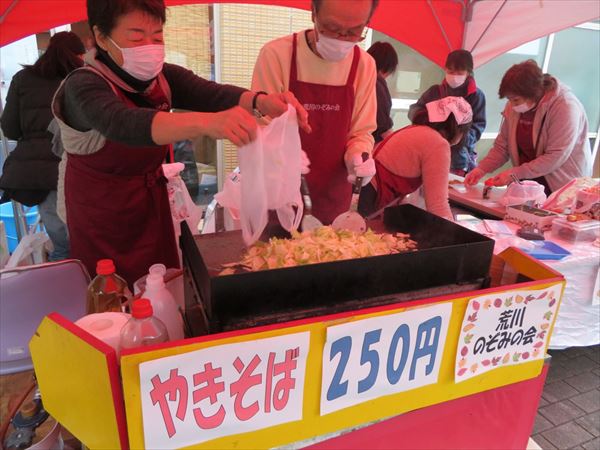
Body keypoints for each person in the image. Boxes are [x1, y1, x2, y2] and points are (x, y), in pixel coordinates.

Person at [52, 0, 309, 286]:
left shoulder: (162, 77)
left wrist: (262, 101)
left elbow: (211, 93)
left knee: (162, 284)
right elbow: (121, 123)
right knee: (112, 296)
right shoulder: (82, 85)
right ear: (101, 37)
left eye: (158, 36)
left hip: (151, 206)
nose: (150, 45)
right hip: (101, 214)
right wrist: (208, 123)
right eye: (137, 36)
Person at [252, 0, 379, 225]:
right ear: (313, 13)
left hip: (336, 201)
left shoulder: (364, 65)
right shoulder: (277, 55)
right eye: (331, 28)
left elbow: (362, 131)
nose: (341, 38)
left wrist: (358, 155)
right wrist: (281, 155)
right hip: (280, 198)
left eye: (353, 32)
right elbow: (260, 129)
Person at [0, 31, 85, 261]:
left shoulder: (22, 79)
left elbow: (10, 128)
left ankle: (65, 287)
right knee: (86, 234)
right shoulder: (82, 78)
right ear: (77, 55)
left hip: (39, 173)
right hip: (78, 165)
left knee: (61, 241)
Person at [464, 60, 592, 193]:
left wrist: (514, 174)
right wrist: (481, 169)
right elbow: (502, 147)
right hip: (528, 182)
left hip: (562, 187)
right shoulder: (514, 106)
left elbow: (556, 156)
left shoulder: (565, 106)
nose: (512, 106)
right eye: (509, 100)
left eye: (516, 100)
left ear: (534, 94)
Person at [359, 97, 473, 221]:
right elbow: (437, 205)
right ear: (459, 129)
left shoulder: (414, 129)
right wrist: (453, 236)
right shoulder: (437, 143)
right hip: (368, 199)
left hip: (362, 192)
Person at [408, 49, 486, 176]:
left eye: (459, 72)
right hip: (430, 152)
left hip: (458, 159)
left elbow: (478, 127)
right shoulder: (435, 91)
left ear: (469, 72)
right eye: (450, 71)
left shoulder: (476, 96)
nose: (454, 76)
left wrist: (458, 137)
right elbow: (414, 110)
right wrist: (428, 119)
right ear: (445, 70)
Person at [367, 41, 398, 143]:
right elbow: (382, 121)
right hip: (371, 141)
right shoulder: (376, 83)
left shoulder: (359, 77)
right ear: (387, 67)